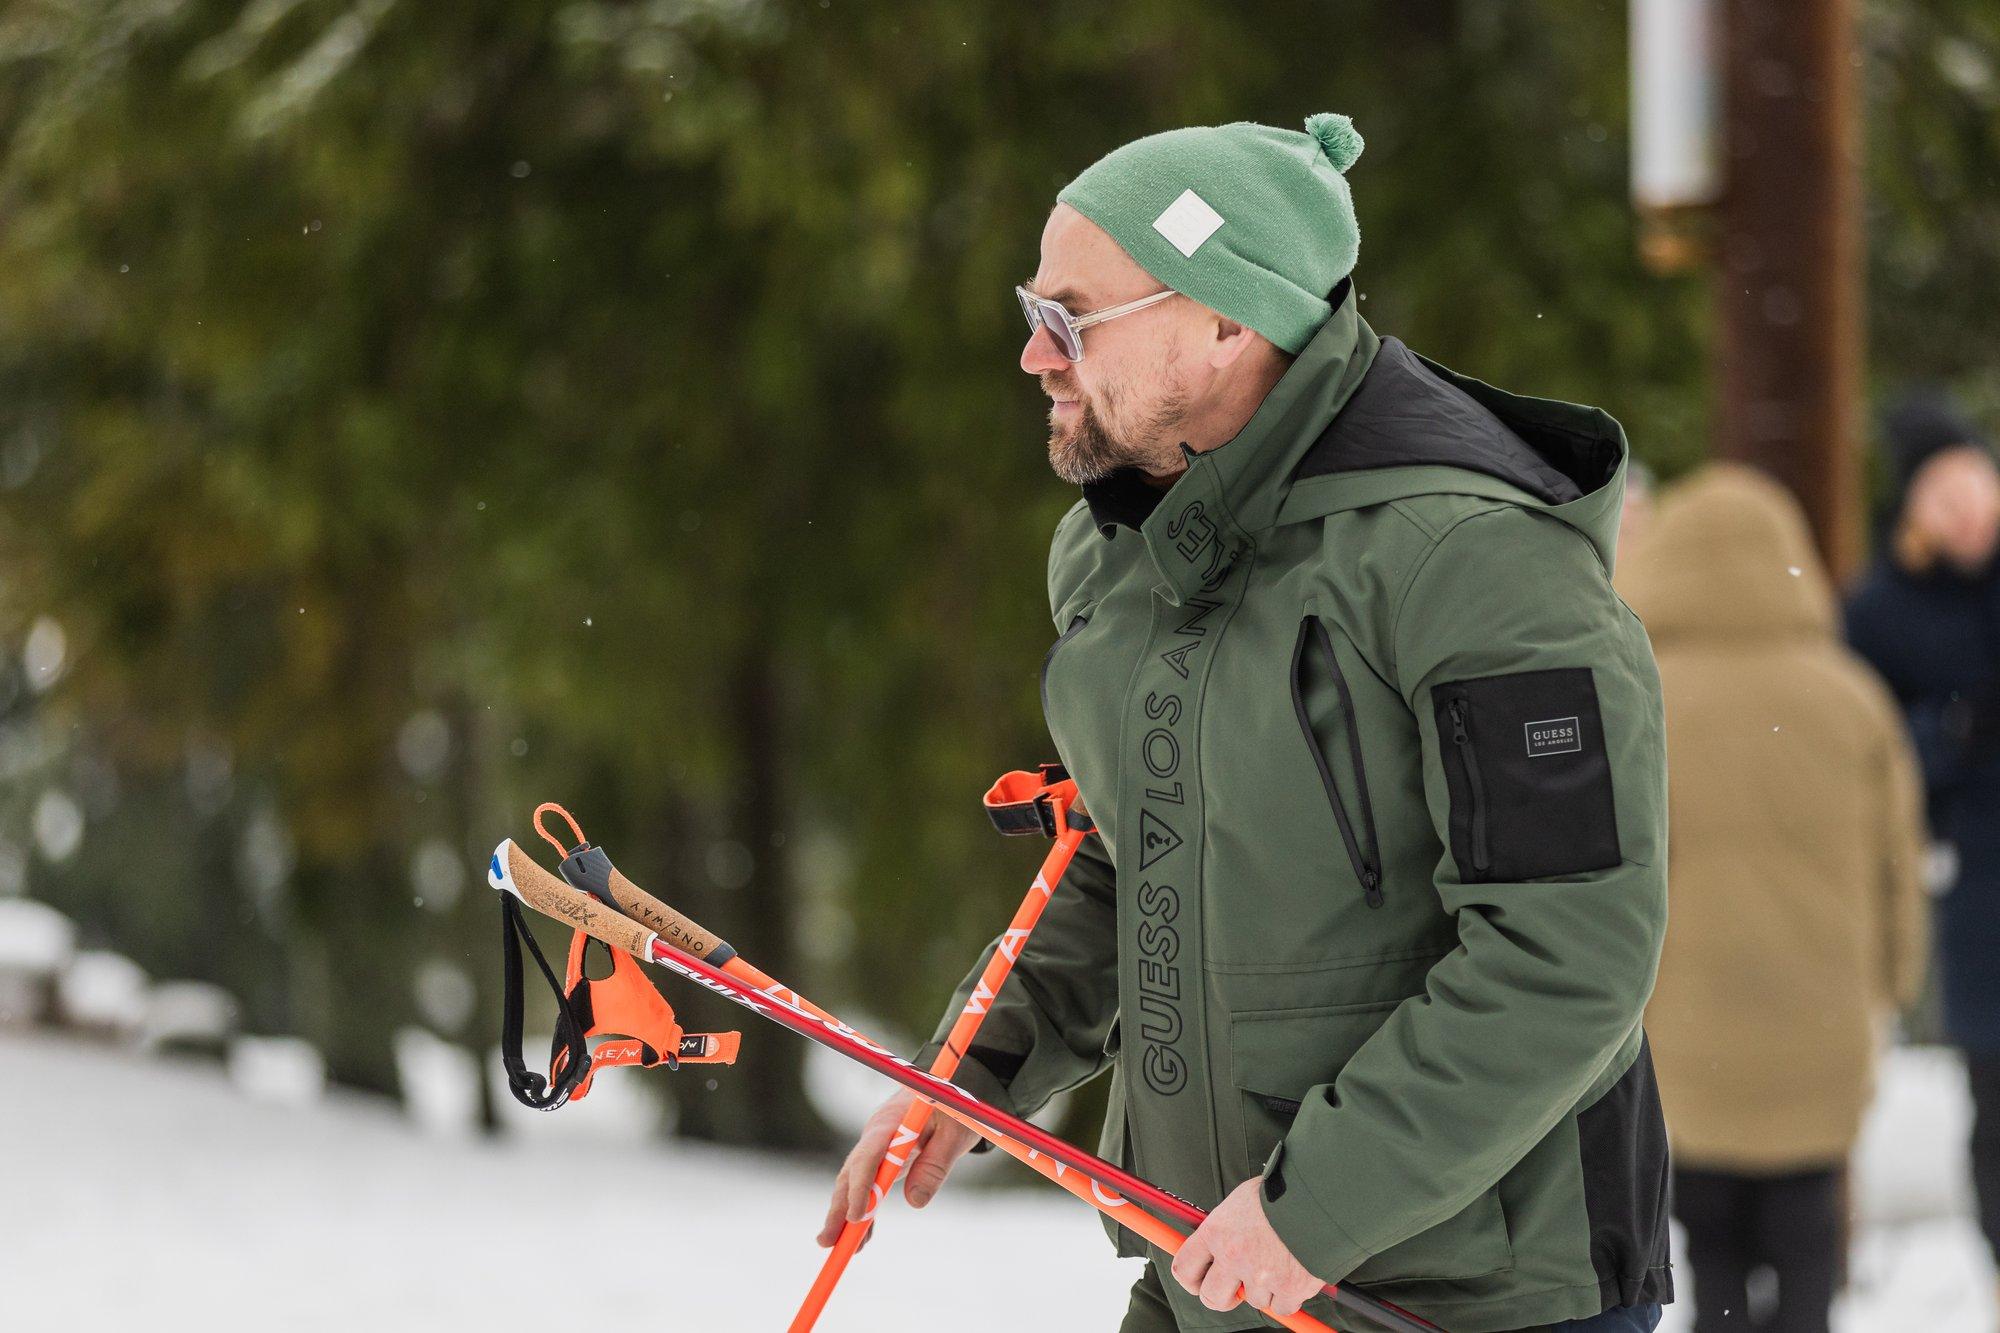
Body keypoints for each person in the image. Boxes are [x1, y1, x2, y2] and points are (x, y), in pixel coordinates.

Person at [819, 113, 1673, 1332]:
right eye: (1033, 310)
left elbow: (1565, 951)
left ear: (1227, 322)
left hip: (1461, 1298)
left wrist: (1313, 1208)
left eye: (1071, 319)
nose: (1034, 356)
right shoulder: (1119, 555)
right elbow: (1127, 856)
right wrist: (972, 1071)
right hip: (1209, 1269)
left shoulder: (1476, 564)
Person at [1618, 463, 1929, 1333]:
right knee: (1806, 1238)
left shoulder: (1641, 695)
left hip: (1688, 1024)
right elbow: (1899, 865)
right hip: (1820, 1018)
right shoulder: (1853, 698)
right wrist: (1896, 981)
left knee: (1710, 1241)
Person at [1844, 393, 2000, 1304]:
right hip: (1974, 887)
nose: (1967, 509)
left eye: (1975, 485)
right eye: (1944, 495)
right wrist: (1952, 731)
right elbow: (1867, 752)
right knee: (1996, 1098)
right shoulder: (1880, 611)